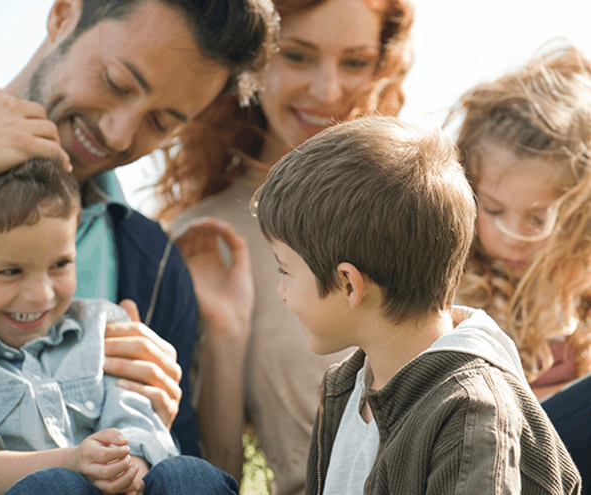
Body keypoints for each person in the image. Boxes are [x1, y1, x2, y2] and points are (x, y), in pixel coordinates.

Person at [0, 0, 278, 457]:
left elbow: (198, 470)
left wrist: (154, 430)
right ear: (62, 15)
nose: (117, 135)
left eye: (160, 122)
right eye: (116, 82)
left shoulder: (151, 266)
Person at [251, 115, 581, 494]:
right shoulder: (346, 386)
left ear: (348, 284)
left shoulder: (471, 413)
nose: (281, 290)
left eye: (286, 271)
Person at [160, 0, 414, 490]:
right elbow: (215, 470)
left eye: (355, 61)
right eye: (297, 56)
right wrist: (224, 335)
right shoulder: (204, 236)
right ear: (252, 59)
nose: (328, 90)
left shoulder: (423, 195)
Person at [0, 158, 240, 495]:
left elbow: (140, 426)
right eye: (10, 272)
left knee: (188, 474)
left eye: (60, 264)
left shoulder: (101, 328)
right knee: (54, 486)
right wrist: (71, 462)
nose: (42, 294)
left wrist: (124, 471)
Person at [449, 42, 591, 493]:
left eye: (538, 217)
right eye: (492, 210)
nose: (513, 235)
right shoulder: (456, 293)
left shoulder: (580, 294)